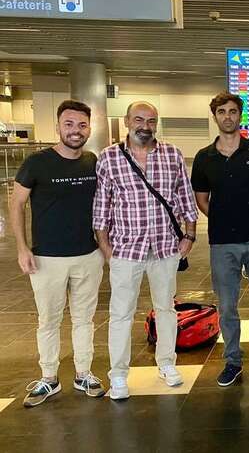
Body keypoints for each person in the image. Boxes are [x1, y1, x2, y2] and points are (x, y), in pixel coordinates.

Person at [93, 101, 198, 400]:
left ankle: (166, 363)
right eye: (139, 119)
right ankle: (118, 375)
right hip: (126, 249)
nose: (145, 126)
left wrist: (189, 234)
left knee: (166, 308)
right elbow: (102, 206)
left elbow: (184, 197)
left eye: (151, 121)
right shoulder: (110, 158)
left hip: (165, 247)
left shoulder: (172, 154)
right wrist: (105, 246)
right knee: (121, 314)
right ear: (127, 121)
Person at [11, 100, 106, 407]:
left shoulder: (92, 161)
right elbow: (16, 204)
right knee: (48, 320)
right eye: (69, 124)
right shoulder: (37, 163)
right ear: (58, 126)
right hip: (47, 258)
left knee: (84, 319)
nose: (75, 131)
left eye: (81, 125)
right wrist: (22, 247)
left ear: (89, 128)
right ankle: (49, 378)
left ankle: (83, 374)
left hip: (87, 255)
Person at [191, 92, 249, 387]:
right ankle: (233, 360)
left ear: (240, 116)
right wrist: (222, 220)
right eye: (222, 112)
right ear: (214, 116)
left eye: (232, 111)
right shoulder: (205, 158)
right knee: (227, 305)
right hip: (222, 244)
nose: (227, 116)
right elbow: (202, 200)